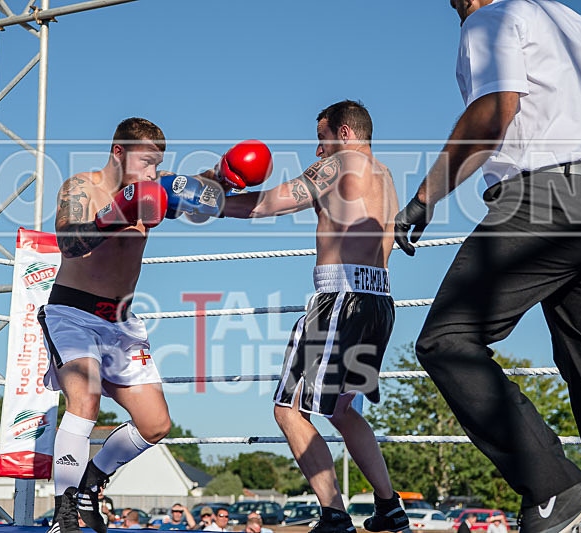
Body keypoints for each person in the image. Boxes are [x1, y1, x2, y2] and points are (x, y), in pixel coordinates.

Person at [394, 1, 581, 531]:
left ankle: (554, 486)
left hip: (547, 200)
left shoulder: (491, 17)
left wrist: (425, 196)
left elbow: (494, 110)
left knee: (447, 340)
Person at [41, 117, 271, 533]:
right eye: (145, 163)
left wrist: (224, 175)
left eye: (156, 164)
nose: (152, 173)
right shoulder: (81, 187)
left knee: (155, 425)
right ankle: (65, 512)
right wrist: (116, 212)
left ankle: (92, 481)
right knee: (86, 398)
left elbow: (205, 197)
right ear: (118, 152)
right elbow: (69, 242)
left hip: (120, 322)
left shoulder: (156, 186)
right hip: (73, 312)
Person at [222, 100, 409, 533]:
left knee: (287, 409)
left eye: (322, 136)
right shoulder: (385, 175)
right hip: (377, 300)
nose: (317, 148)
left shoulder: (340, 162)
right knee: (342, 410)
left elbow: (272, 203)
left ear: (343, 133)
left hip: (339, 300)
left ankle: (334, 515)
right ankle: (389, 508)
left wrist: (207, 203)